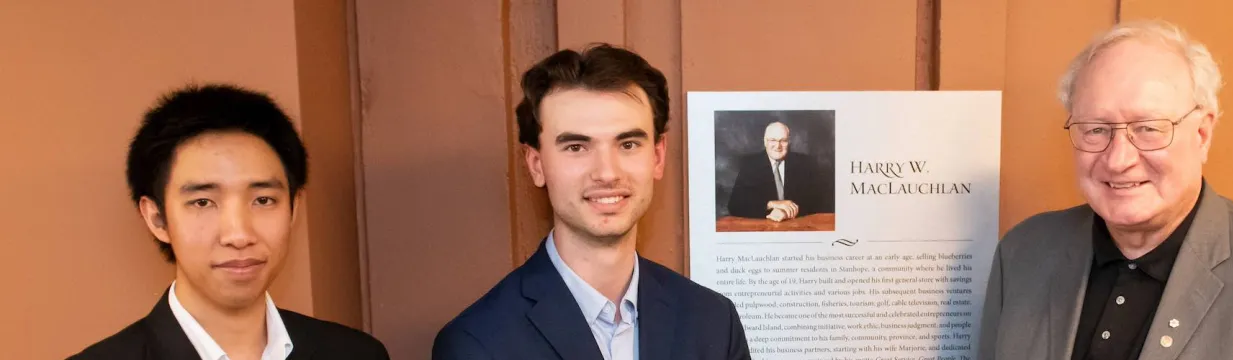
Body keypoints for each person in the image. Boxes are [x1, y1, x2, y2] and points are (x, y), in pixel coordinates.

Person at [978, 20, 1233, 360]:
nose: (1118, 160)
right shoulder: (1023, 255)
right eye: (1096, 129)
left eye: (1148, 128)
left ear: (1202, 134)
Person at [432, 44, 751, 360]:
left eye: (627, 144)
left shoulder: (714, 324)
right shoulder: (477, 344)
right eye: (576, 147)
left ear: (657, 155)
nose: (607, 172)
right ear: (536, 164)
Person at [71, 84, 389, 360]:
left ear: (293, 209)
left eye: (263, 200)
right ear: (157, 218)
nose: (239, 234)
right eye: (203, 202)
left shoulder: (357, 354)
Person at [726, 121, 834, 221]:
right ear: (765, 141)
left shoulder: (805, 163)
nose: (778, 146)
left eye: (783, 140)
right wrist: (771, 204)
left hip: (798, 227)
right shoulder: (750, 164)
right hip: (763, 229)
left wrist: (787, 213)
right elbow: (735, 205)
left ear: (789, 142)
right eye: (773, 140)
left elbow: (819, 201)